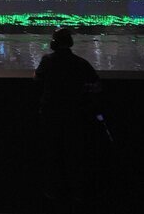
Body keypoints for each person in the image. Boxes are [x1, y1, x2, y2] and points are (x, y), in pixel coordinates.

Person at [35, 28, 103, 206]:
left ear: (53, 44)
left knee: (52, 153)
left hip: (50, 115)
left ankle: (52, 192)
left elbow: (37, 79)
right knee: (75, 154)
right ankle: (77, 192)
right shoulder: (81, 63)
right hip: (74, 115)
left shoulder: (47, 61)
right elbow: (97, 85)